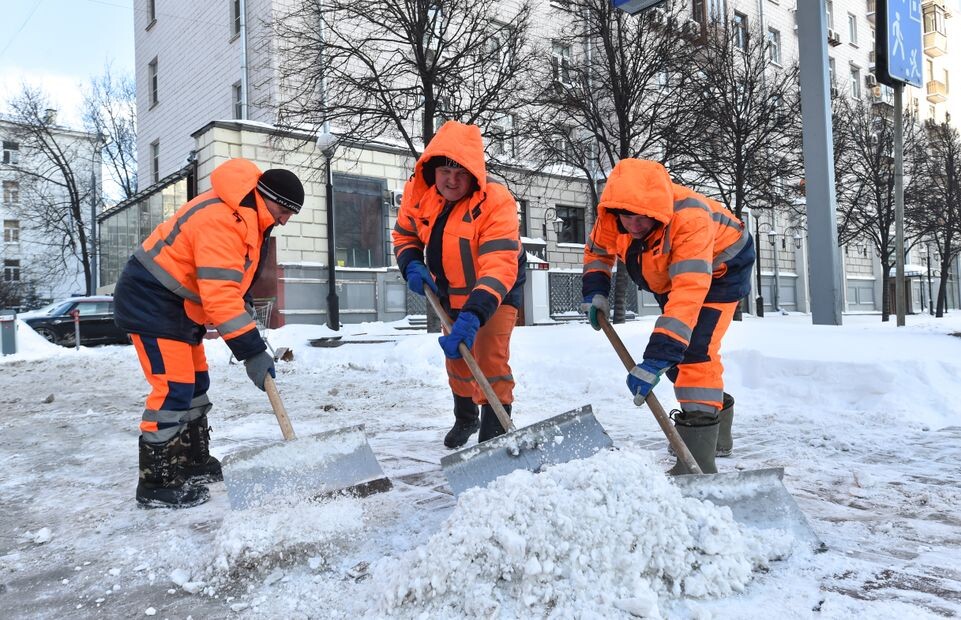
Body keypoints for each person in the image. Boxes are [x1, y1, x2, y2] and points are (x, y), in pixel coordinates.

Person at [113, 158, 305, 508]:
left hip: (179, 306)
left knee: (196, 384)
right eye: (284, 209)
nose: (284, 219)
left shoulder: (247, 217)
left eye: (290, 213)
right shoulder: (224, 219)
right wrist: (251, 351)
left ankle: (192, 461)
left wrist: (243, 308)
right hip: (152, 301)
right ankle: (157, 480)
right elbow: (218, 296)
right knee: (174, 387)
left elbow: (229, 282)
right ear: (265, 196)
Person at [581, 159, 754, 474]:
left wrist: (655, 359)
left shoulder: (689, 219)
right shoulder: (610, 216)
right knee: (679, 356)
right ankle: (714, 425)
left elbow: (689, 292)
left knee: (693, 353)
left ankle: (698, 460)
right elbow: (597, 252)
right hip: (668, 272)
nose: (633, 225)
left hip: (720, 268)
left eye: (643, 218)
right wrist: (596, 292)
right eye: (627, 217)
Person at [392, 120, 526, 449]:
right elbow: (405, 233)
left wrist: (475, 313)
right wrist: (411, 262)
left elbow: (498, 264)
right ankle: (466, 416)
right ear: (432, 169)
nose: (452, 180)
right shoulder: (419, 193)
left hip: (495, 291)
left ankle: (494, 433)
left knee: (488, 355)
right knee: (456, 357)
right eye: (445, 171)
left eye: (461, 173)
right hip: (448, 290)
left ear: (474, 173)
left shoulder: (496, 201)